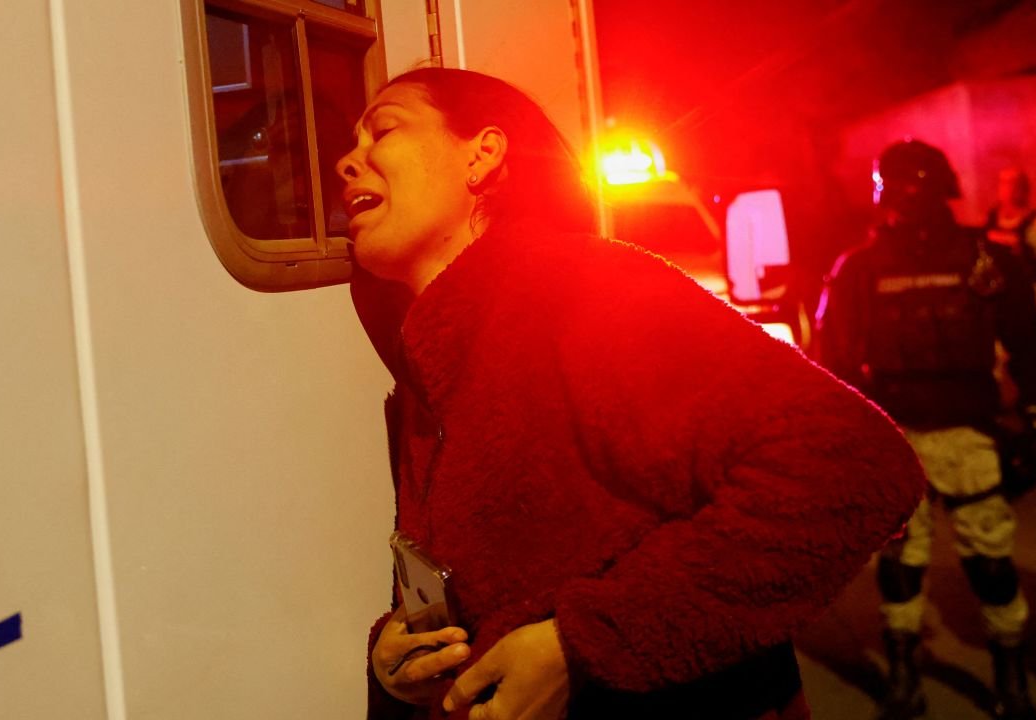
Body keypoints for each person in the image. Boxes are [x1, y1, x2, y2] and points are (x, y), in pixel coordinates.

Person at [337, 67, 927, 720]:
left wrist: (583, 644)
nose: (347, 160)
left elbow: (853, 461)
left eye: (383, 129)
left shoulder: (582, 288)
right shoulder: (428, 364)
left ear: (482, 154)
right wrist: (401, 660)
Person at [815, 140, 1036, 720]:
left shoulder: (986, 259)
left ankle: (1011, 677)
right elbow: (831, 361)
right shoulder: (857, 269)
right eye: (897, 192)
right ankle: (903, 672)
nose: (907, 204)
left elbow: (1028, 341)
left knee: (990, 562)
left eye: (917, 192)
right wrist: (843, 441)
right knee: (901, 564)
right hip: (894, 437)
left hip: (969, 430)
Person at [985, 167, 1036, 323]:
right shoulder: (991, 220)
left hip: (1030, 296)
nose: (1008, 189)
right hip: (999, 296)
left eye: (1013, 184)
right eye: (1004, 183)